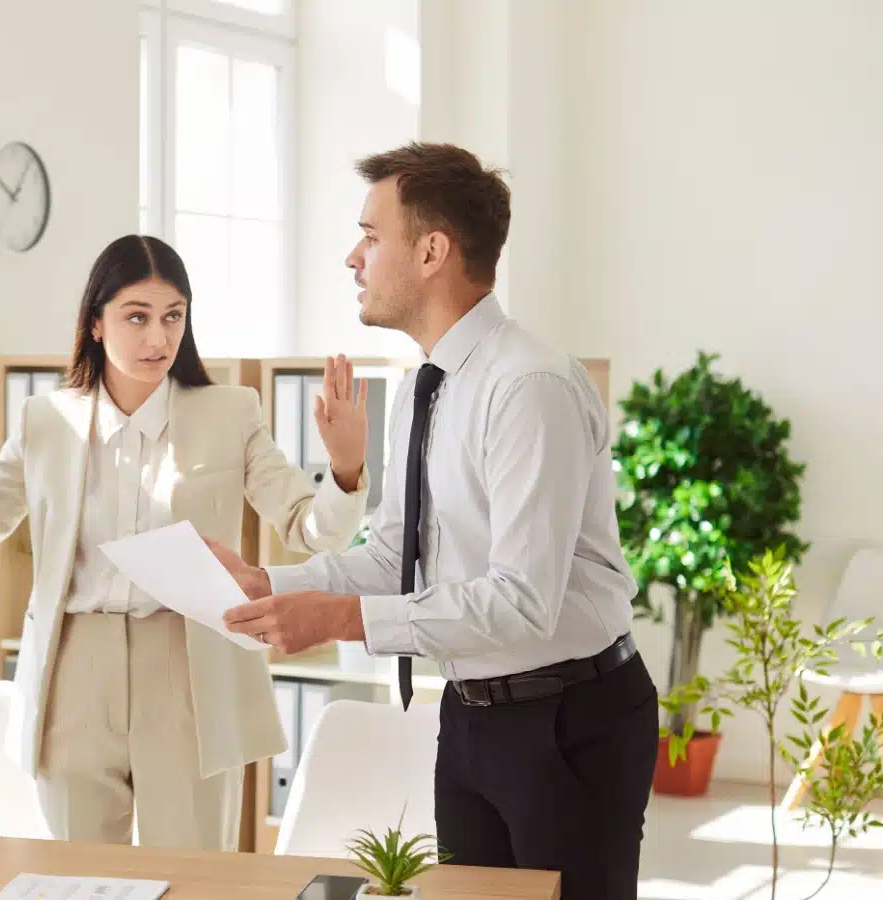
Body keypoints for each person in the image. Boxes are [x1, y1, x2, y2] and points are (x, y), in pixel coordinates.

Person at [209, 143, 657, 898]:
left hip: (571, 720)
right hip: (472, 715)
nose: (353, 257)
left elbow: (520, 600)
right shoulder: (425, 386)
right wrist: (271, 583)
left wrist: (342, 620)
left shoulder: (528, 387)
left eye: (370, 235)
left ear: (432, 251)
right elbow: (393, 555)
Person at [0, 235, 370, 851]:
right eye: (136, 317)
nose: (157, 339)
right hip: (74, 677)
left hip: (188, 666)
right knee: (83, 883)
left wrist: (347, 469)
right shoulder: (45, 422)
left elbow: (311, 527)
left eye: (173, 317)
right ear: (95, 322)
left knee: (194, 884)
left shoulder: (230, 412)